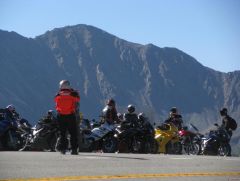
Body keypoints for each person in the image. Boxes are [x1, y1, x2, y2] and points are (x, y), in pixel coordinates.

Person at [55, 80, 80, 155]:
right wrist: (74, 92)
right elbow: (78, 99)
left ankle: (63, 149)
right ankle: (74, 150)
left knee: (62, 133)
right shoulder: (72, 95)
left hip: (61, 116)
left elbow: (55, 101)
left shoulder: (58, 95)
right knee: (73, 133)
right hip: (70, 115)